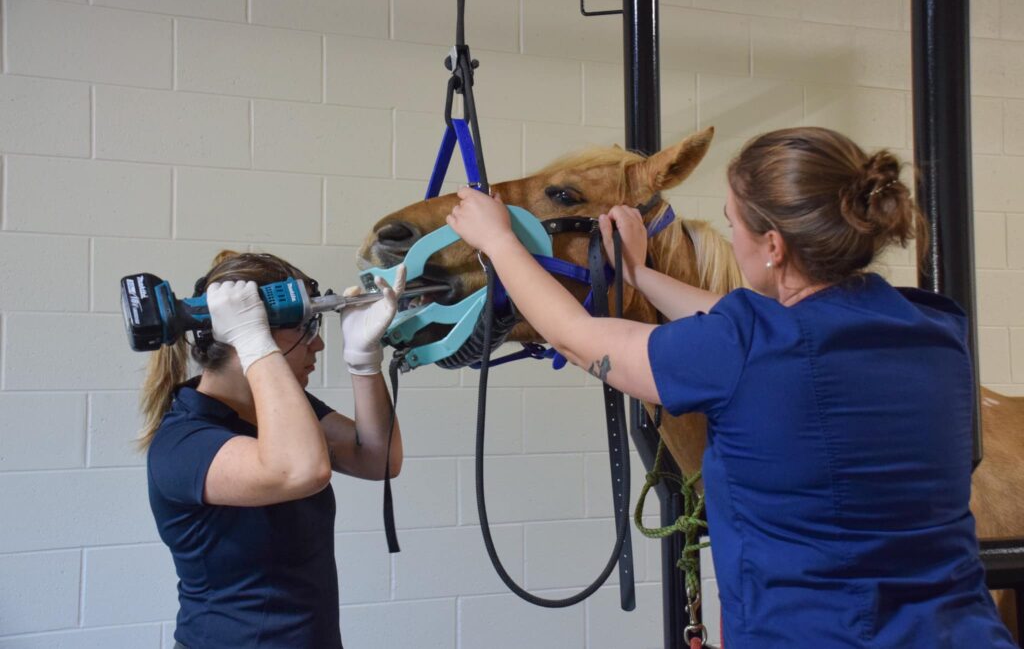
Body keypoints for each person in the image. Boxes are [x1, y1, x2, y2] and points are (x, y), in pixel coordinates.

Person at [446, 127, 1015, 648]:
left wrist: (499, 244)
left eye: (732, 223)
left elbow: (575, 336)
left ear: (772, 245)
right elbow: (754, 326)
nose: (732, 239)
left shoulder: (740, 349)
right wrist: (641, 275)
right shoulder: (935, 327)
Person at [139, 251, 405, 649]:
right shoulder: (183, 443)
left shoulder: (285, 413)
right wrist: (252, 341)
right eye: (304, 327)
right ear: (243, 331)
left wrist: (364, 361)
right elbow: (300, 471)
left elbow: (377, 459)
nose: (317, 344)